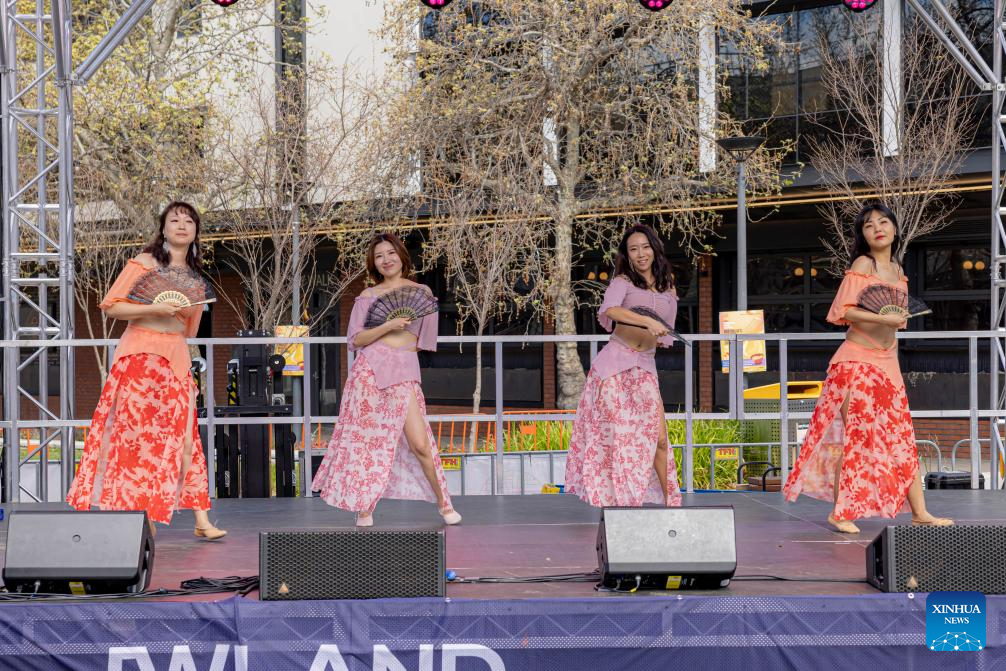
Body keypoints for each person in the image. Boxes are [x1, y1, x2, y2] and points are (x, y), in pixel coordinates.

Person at [783, 202, 953, 533]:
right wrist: (882, 317)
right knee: (858, 436)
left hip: (888, 362)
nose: (877, 227)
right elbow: (841, 310)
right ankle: (840, 511)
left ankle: (920, 511)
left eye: (883, 221)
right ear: (863, 235)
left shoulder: (899, 272)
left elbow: (894, 321)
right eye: (868, 225)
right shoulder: (864, 264)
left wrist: (894, 322)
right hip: (856, 361)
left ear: (894, 229)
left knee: (903, 437)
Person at [67, 201, 225, 540]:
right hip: (140, 356)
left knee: (184, 438)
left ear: (195, 231)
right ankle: (144, 515)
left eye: (189, 221)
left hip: (176, 356)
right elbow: (112, 306)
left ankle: (202, 519)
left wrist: (179, 309)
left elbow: (191, 329)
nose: (182, 225)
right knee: (139, 439)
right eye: (174, 220)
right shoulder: (144, 263)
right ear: (163, 228)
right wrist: (156, 305)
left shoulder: (194, 277)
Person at [312, 232, 461, 527]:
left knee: (420, 443)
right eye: (379, 256)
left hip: (404, 373)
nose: (386, 260)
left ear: (401, 256)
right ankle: (364, 508)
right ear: (374, 263)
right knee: (367, 442)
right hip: (369, 373)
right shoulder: (367, 297)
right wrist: (389, 325)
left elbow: (423, 340)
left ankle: (445, 504)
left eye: (390, 253)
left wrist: (400, 346)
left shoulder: (423, 294)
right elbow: (355, 339)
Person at [565, 224, 681, 507]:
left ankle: (673, 506)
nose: (641, 254)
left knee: (660, 440)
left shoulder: (669, 288)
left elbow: (665, 332)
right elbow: (610, 310)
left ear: (654, 249)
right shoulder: (623, 282)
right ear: (627, 255)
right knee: (618, 440)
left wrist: (658, 328)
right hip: (615, 366)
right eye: (633, 249)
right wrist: (647, 321)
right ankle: (621, 504)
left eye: (645, 247)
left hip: (645, 368)